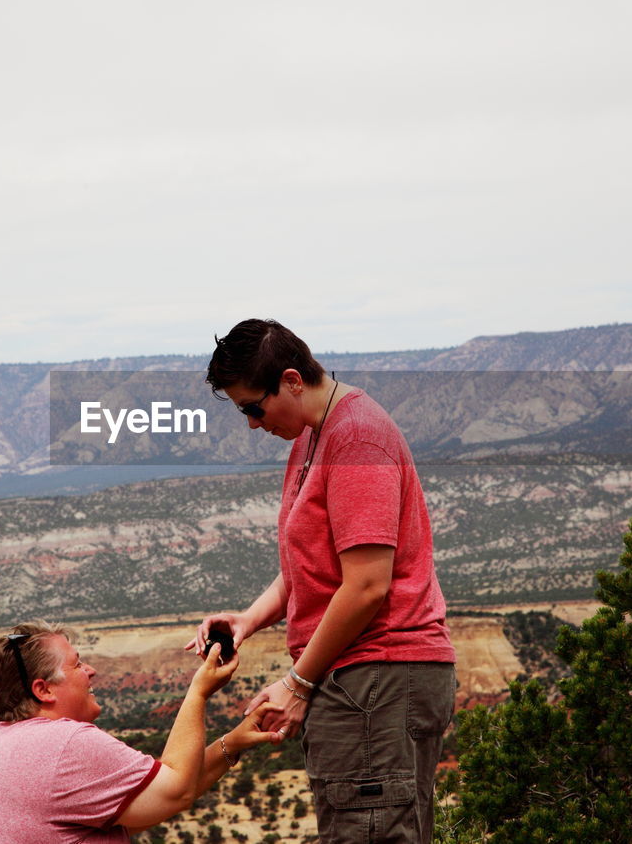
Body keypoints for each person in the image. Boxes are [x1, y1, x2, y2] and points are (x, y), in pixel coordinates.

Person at [188, 318, 457, 843]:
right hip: (365, 679)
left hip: (376, 677)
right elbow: (312, 566)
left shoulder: (356, 438)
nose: (251, 423)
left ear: (291, 380)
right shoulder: (315, 436)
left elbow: (366, 586)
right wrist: (250, 619)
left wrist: (298, 683)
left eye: (252, 408)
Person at [0, 620, 280, 843]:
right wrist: (199, 692)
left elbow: (139, 811)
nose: (91, 670)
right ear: (43, 690)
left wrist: (231, 744)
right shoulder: (63, 743)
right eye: (76, 664)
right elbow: (176, 791)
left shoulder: (8, 742)